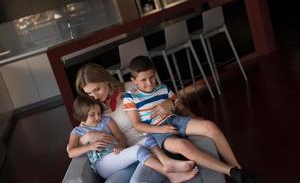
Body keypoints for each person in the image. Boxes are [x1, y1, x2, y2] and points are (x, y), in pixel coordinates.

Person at [124, 55, 261, 183]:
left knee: (210, 127)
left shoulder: (163, 88)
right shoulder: (130, 97)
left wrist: (193, 117)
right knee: (183, 146)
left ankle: (238, 170)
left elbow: (180, 108)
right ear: (133, 81)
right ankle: (230, 171)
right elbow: (137, 125)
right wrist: (160, 129)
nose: (149, 83)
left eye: (152, 77)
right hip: (157, 133)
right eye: (143, 80)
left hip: (175, 120)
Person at [74, 62, 213, 183]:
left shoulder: (131, 88)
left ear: (106, 80)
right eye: (89, 93)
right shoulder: (92, 109)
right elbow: (81, 134)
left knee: (138, 181)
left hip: (156, 145)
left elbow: (169, 98)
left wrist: (180, 109)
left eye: (97, 89)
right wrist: (86, 138)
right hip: (128, 156)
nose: (95, 96)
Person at [67, 95, 198, 182]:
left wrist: (121, 145)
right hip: (103, 163)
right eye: (92, 115)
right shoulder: (78, 131)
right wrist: (89, 146)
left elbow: (120, 136)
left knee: (148, 138)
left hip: (117, 153)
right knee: (137, 150)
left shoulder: (106, 120)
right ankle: (171, 175)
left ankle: (166, 161)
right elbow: (71, 152)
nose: (98, 117)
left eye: (99, 113)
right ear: (81, 115)